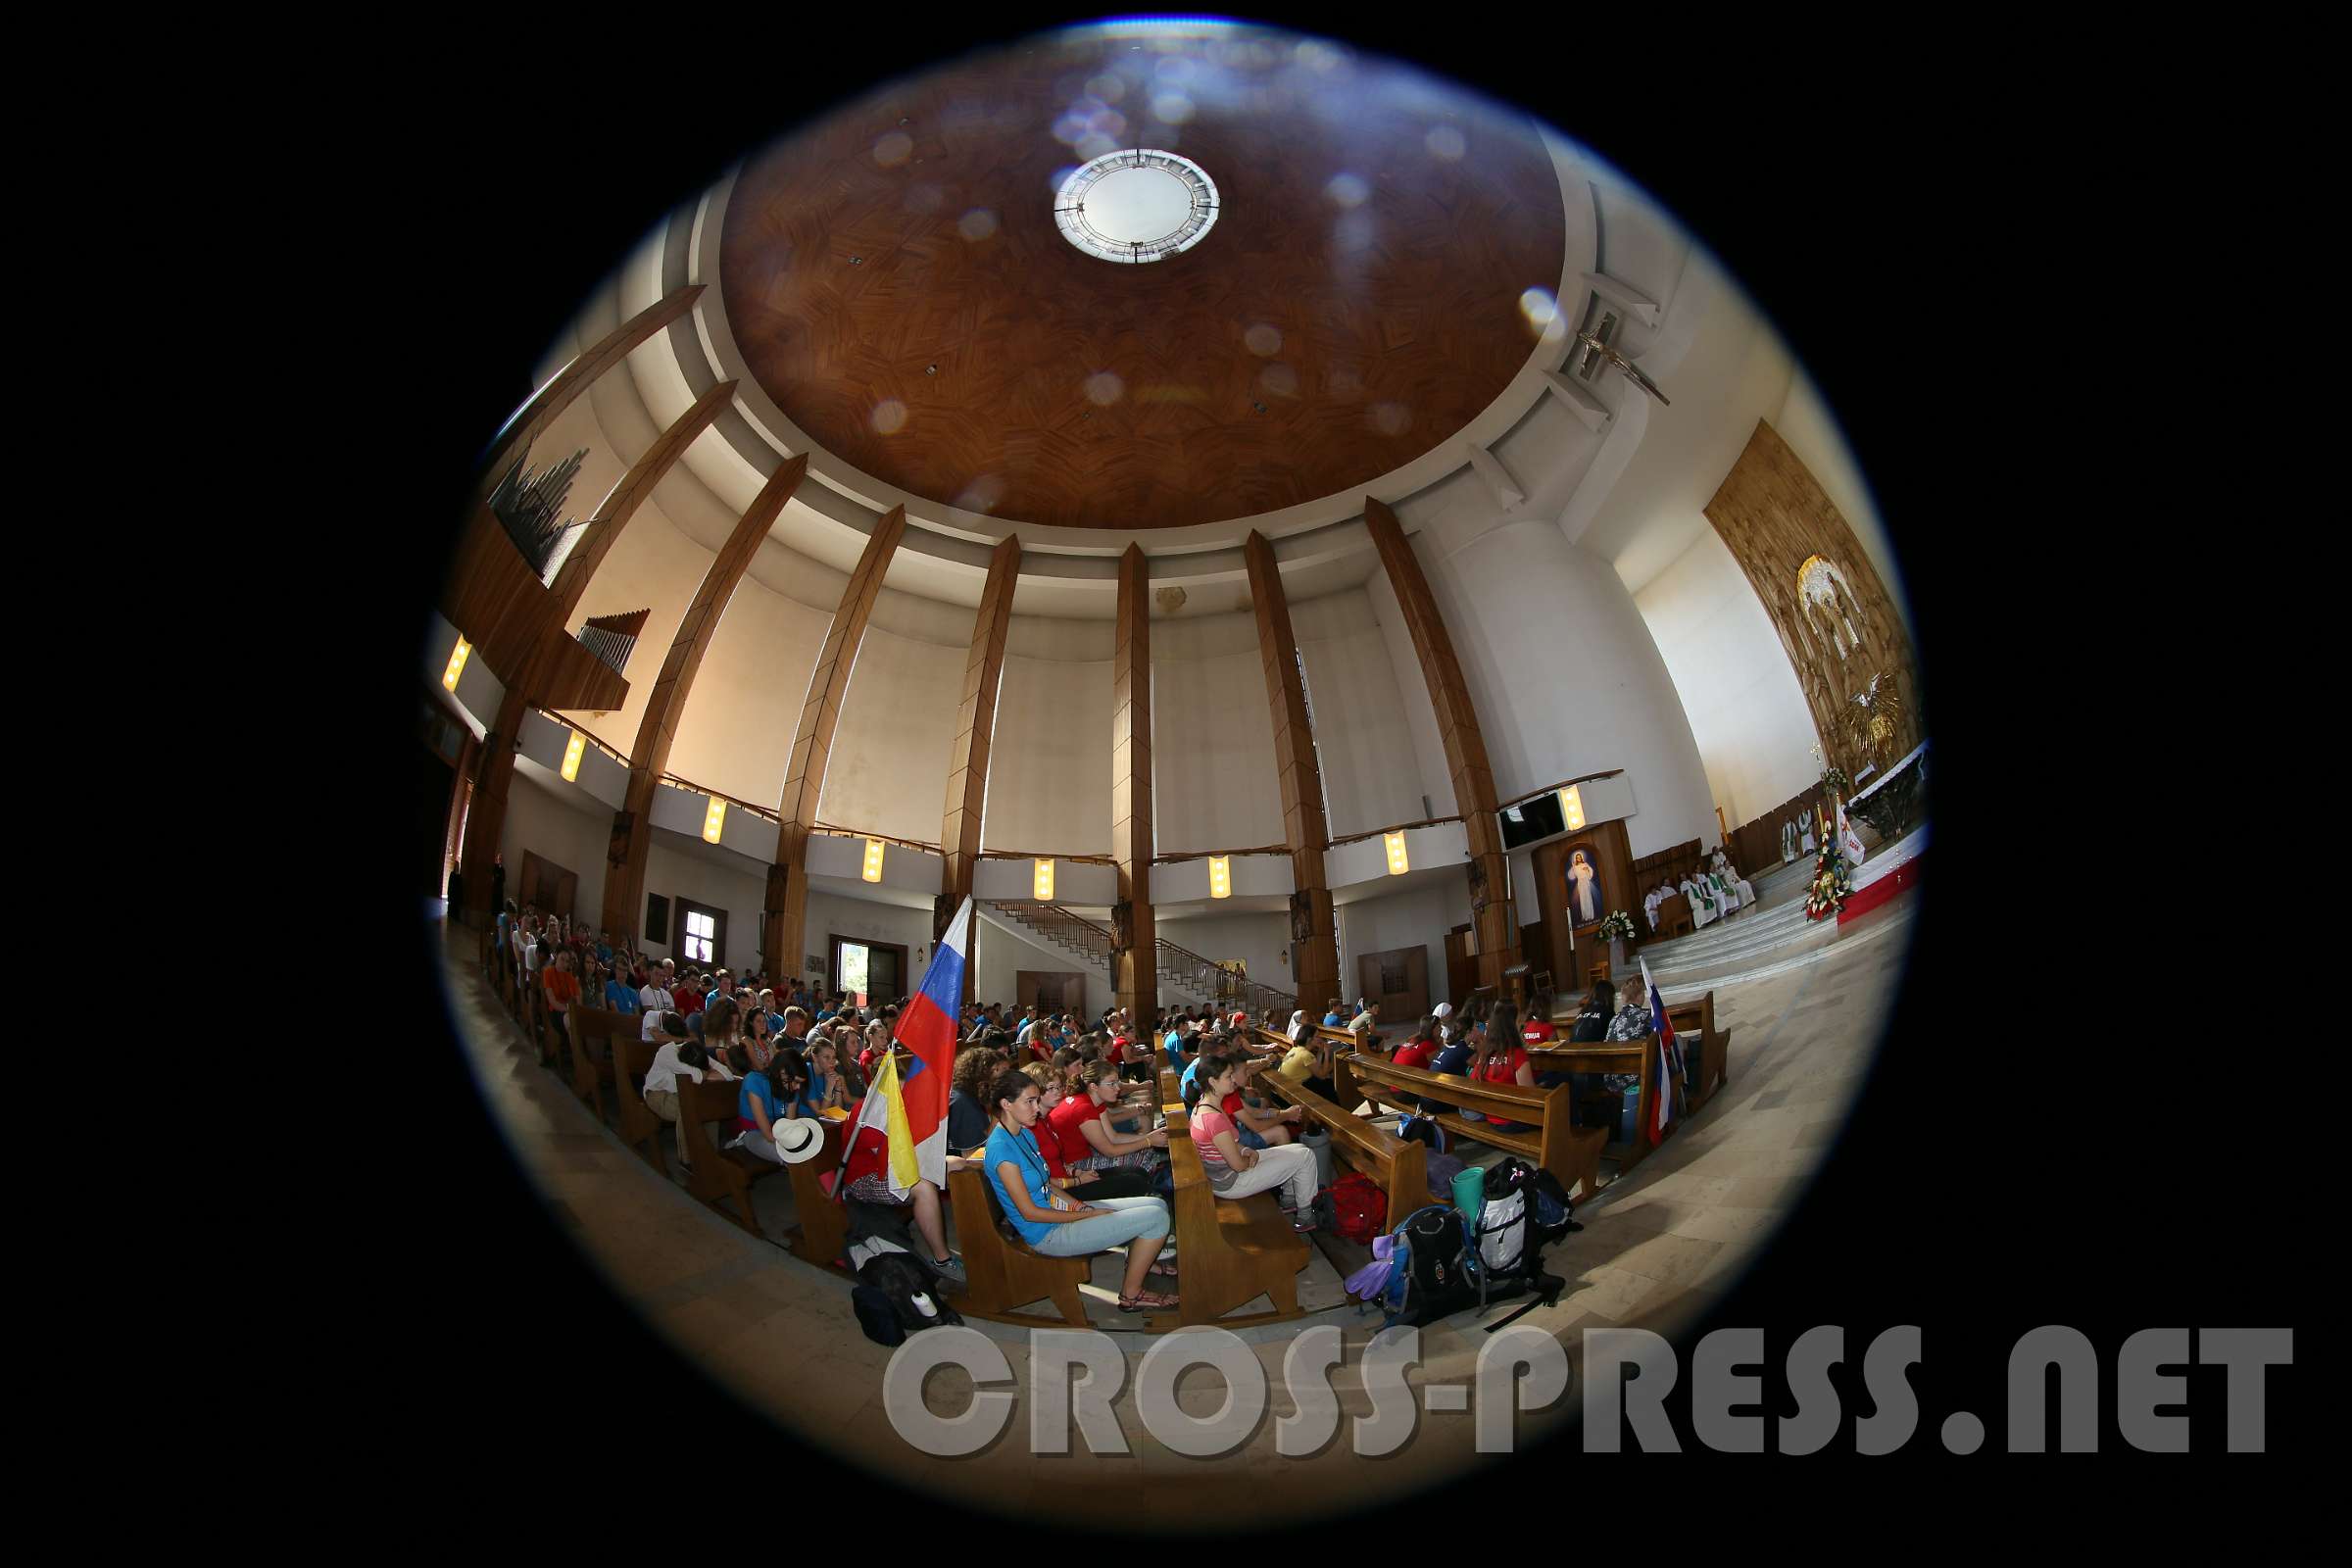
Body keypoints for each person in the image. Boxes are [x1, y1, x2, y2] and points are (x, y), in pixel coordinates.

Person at [983, 1069, 1176, 1312]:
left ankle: (1138, 1264)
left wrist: (1079, 1206)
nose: (1036, 1108)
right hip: (1047, 1234)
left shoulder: (1022, 1134)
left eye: (1036, 1100)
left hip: (1058, 1212)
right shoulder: (1002, 1151)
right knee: (1157, 1218)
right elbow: (1030, 1213)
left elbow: (1048, 1185)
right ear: (1006, 1104)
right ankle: (1131, 1295)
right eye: (1029, 1101)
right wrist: (1087, 1214)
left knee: (1157, 1205)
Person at [1183, 1054, 1318, 1231]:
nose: (1233, 1080)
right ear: (1213, 1081)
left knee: (1299, 1148)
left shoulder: (1204, 1105)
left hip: (1223, 1175)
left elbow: (1226, 1144)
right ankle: (1305, 1217)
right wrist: (1249, 1158)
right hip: (1231, 1183)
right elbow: (1238, 1166)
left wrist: (1245, 1149)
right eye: (1228, 1076)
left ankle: (1289, 1200)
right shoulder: (1213, 1118)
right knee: (1306, 1156)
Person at [1051, 1059, 1170, 1179]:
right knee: (1142, 1159)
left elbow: (1113, 1137)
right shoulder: (1083, 1108)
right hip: (1073, 1165)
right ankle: (1155, 1185)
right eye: (1111, 1084)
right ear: (1094, 1086)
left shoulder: (1096, 1101)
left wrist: (1149, 1137)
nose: (1117, 1088)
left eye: (1117, 1082)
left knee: (1146, 1151)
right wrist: (1148, 1141)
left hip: (1086, 1152)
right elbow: (1110, 1151)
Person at [643, 1034, 733, 1175]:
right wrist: (707, 1073)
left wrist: (703, 1074)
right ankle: (687, 1160)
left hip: (681, 1093)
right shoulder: (667, 1053)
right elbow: (695, 1075)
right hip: (657, 1094)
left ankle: (710, 1153)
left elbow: (728, 1075)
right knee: (686, 1109)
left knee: (709, 1107)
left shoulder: (695, 1052)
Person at [948, 1046, 1008, 1152]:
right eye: (1004, 1071)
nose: (1008, 1077)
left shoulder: (968, 1092)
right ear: (993, 1070)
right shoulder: (965, 1104)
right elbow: (971, 1155)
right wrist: (997, 1115)